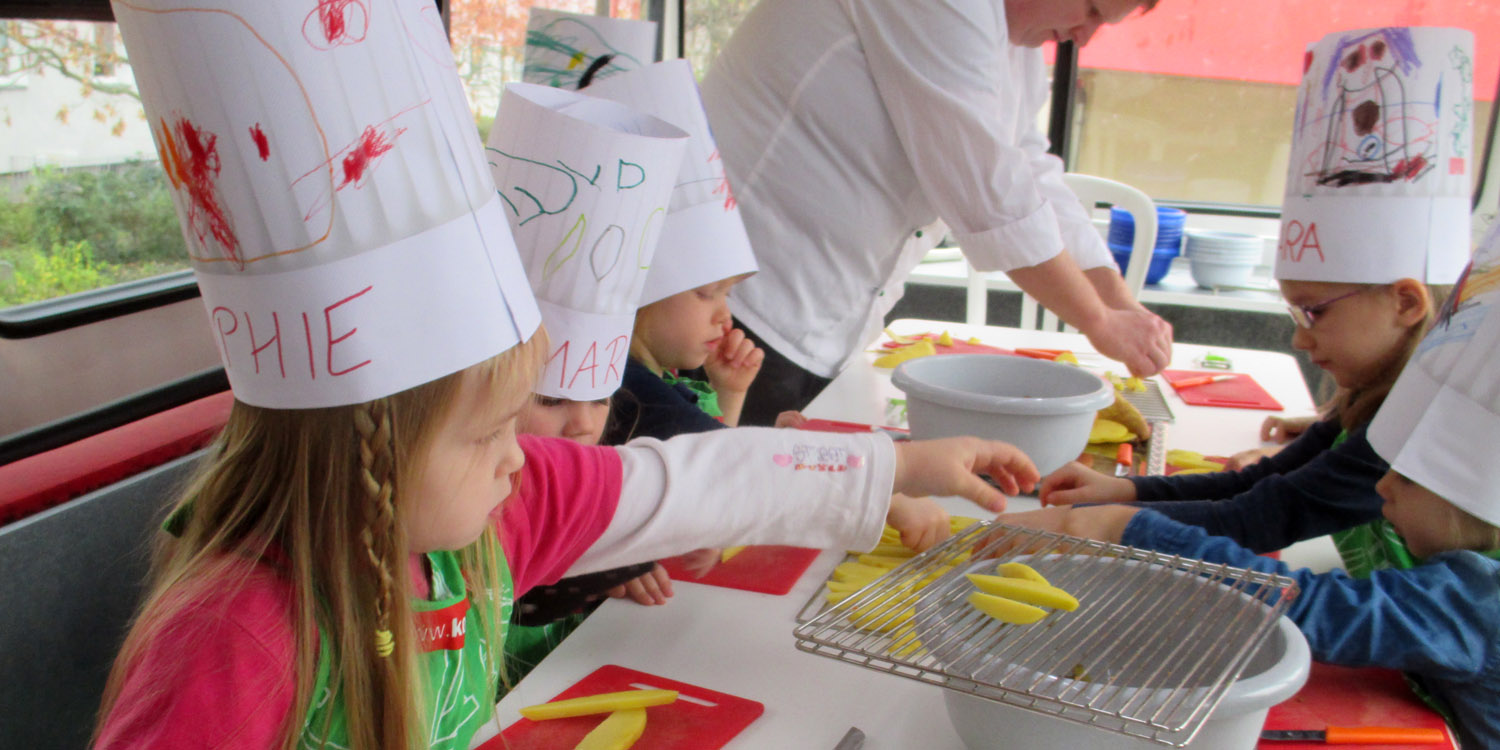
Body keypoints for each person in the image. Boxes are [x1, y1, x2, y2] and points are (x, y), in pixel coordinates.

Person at [92, 7, 1040, 748]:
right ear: (372, 448)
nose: (523, 458)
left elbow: (685, 481)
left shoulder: (481, 512)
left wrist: (904, 466)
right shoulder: (235, 639)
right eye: (488, 432)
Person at [999, 221, 1500, 746]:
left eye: (1405, 478)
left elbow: (1311, 606)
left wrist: (1127, 528)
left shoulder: (1472, 601)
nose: (1380, 490)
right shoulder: (1460, 569)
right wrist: (1130, 496)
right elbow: (1268, 486)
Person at [1037, 26, 1474, 559]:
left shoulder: (1411, 424)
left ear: (1406, 302)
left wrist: (1111, 523)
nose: (1299, 339)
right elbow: (1266, 481)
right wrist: (1128, 490)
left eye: (1313, 312)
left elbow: (1259, 516)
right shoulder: (1369, 397)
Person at [700, 0, 1175, 424]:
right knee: (718, 508)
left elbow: (1030, 168)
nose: (1085, 36)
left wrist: (1122, 305)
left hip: (819, 320)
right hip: (738, 302)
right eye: (1091, 9)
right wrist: (1099, 321)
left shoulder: (1015, 40)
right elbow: (990, 192)